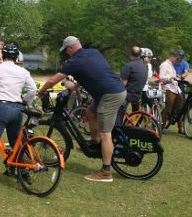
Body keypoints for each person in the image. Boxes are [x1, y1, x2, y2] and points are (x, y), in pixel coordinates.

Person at [37, 36, 126, 182]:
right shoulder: (94, 52)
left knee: (106, 133)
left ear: (71, 48)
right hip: (110, 91)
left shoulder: (75, 61)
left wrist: (41, 92)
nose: (67, 53)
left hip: (109, 95)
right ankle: (94, 143)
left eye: (66, 50)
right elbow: (92, 72)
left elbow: (53, 80)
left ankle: (106, 171)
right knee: (90, 113)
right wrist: (76, 86)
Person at [0, 43, 36, 189]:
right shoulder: (23, 71)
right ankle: (23, 171)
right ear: (16, 58)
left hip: (0, 107)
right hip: (17, 108)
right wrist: (25, 99)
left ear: (2, 56)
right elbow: (33, 89)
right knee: (16, 142)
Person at [118, 46, 148, 119]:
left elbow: (123, 84)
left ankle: (117, 127)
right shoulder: (144, 67)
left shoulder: (128, 66)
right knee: (135, 115)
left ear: (130, 54)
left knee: (117, 112)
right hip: (138, 95)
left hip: (127, 95)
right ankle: (135, 126)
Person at [159, 50, 184, 134]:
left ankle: (180, 127)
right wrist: (171, 78)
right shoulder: (164, 65)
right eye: (177, 59)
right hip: (168, 89)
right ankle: (161, 127)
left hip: (175, 89)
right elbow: (161, 78)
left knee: (181, 108)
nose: (178, 61)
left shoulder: (171, 66)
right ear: (172, 56)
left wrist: (175, 76)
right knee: (168, 109)